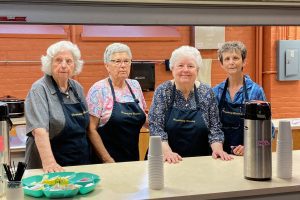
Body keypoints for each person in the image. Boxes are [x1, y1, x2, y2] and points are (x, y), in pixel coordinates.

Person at [148, 45, 232, 164]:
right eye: (180, 65)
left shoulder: (206, 92)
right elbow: (156, 127)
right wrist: (167, 152)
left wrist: (218, 149)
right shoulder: (163, 91)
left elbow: (215, 128)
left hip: (200, 161)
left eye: (190, 66)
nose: (185, 70)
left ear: (197, 70)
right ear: (172, 69)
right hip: (168, 161)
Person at [25, 41, 90, 172]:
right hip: (52, 164)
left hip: (80, 160)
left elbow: (86, 127)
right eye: (58, 60)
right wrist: (50, 163)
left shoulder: (77, 88)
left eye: (69, 61)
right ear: (49, 64)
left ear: (75, 65)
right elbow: (39, 131)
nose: (64, 65)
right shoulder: (39, 89)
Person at [86, 43, 147, 163]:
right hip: (106, 161)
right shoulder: (98, 89)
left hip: (132, 158)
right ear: (107, 65)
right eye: (117, 61)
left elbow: (144, 117)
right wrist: (107, 159)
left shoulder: (135, 86)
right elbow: (91, 129)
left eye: (126, 61)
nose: (123, 66)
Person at [213, 41, 274, 156]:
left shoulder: (255, 91)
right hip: (221, 154)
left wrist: (250, 146)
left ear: (244, 61)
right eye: (227, 59)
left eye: (235, 58)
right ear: (221, 64)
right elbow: (212, 126)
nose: (231, 62)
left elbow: (267, 130)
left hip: (249, 156)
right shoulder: (216, 92)